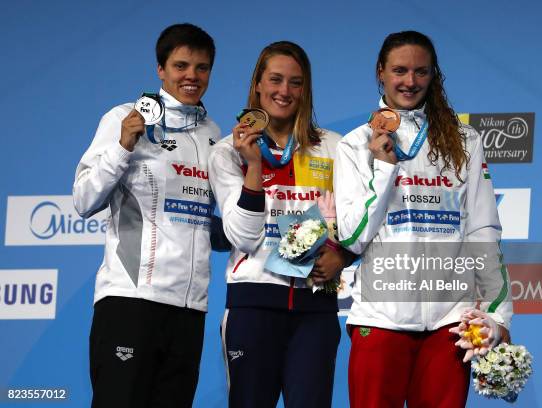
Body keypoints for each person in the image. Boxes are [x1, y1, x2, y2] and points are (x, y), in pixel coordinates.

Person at [334, 31, 513, 408]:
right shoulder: (355, 144)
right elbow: (352, 237)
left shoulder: (464, 141)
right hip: (380, 318)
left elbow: (483, 229)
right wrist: (383, 168)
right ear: (380, 72)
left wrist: (500, 316)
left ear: (434, 76)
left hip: (451, 321)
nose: (410, 81)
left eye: (421, 71)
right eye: (400, 70)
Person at [73, 23, 222, 408]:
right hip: (131, 300)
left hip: (190, 309)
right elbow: (84, 199)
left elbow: (210, 223)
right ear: (161, 69)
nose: (192, 76)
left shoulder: (213, 134)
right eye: (181, 65)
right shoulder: (124, 117)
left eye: (202, 67)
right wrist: (123, 146)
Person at [208, 41, 353, 408]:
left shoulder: (334, 148)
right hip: (252, 307)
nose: (284, 91)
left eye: (295, 83)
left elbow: (359, 220)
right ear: (257, 83)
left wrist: (344, 256)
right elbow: (242, 235)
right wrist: (253, 166)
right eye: (275, 80)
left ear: (306, 90)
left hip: (315, 309)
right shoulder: (227, 151)